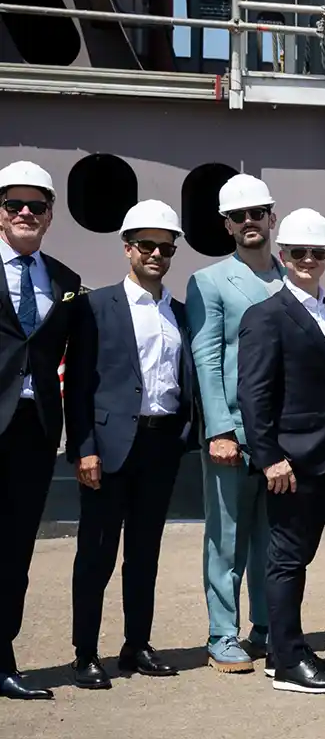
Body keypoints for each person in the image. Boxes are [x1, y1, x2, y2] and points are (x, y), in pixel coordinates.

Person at [236, 209, 325, 695]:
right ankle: (286, 658)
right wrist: (268, 455)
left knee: (300, 554)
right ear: (283, 256)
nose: (308, 259)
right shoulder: (265, 315)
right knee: (286, 557)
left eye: (317, 252)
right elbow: (254, 393)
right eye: (298, 252)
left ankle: (286, 647)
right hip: (288, 458)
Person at [64, 200, 193, 688]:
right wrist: (85, 448)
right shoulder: (96, 307)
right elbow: (78, 383)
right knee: (95, 553)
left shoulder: (177, 313)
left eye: (165, 246)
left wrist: (183, 433)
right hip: (109, 447)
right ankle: (85, 653)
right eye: (147, 245)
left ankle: (136, 645)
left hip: (160, 446)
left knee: (145, 553)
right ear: (128, 249)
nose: (156, 253)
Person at [186, 171, 282, 674]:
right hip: (236, 433)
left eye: (256, 214)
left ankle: (265, 626)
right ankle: (222, 633)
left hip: (282, 436)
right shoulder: (208, 281)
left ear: (272, 217)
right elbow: (206, 357)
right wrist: (218, 429)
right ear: (227, 225)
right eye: (238, 216)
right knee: (226, 538)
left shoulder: (292, 277)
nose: (249, 222)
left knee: (273, 537)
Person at [0, 160, 77, 701]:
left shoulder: (66, 281)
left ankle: (2, 656)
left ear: (50, 216)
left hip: (35, 429)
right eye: (13, 205)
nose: (25, 213)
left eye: (36, 206)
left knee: (15, 549)